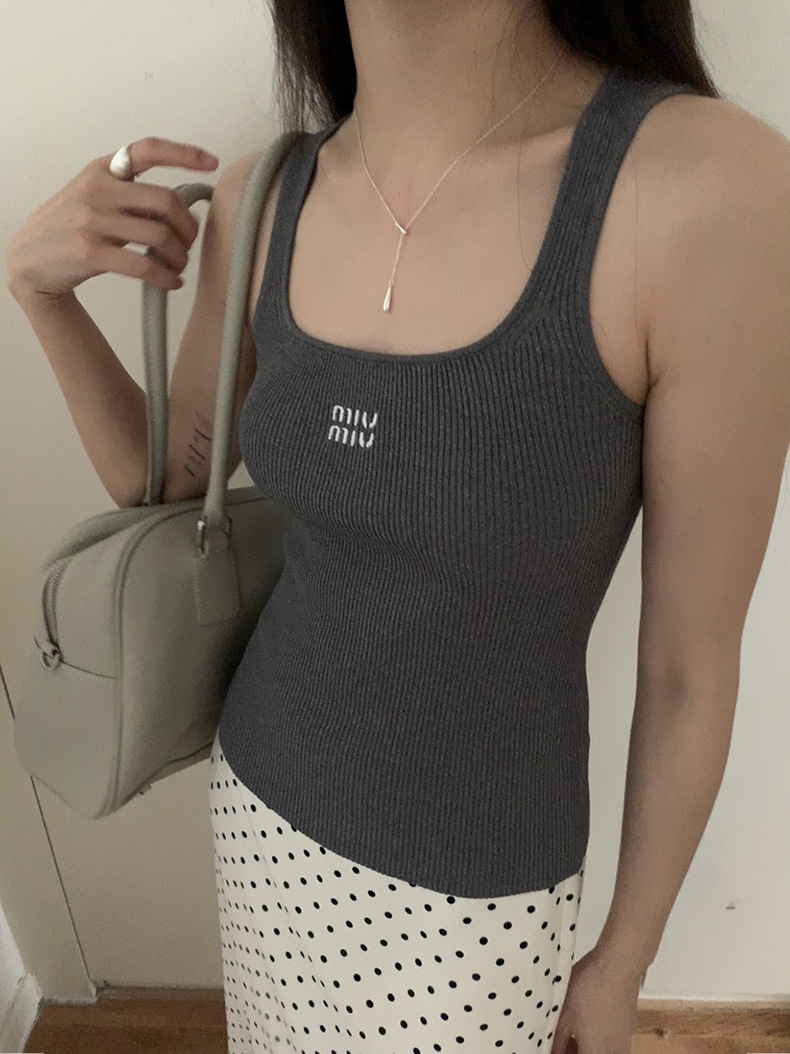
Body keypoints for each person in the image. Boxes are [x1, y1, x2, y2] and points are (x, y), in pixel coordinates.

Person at [7, 2, 790, 1052]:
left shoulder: (709, 192)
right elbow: (165, 481)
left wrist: (622, 962)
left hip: (475, 896)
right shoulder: (263, 195)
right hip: (259, 808)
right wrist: (39, 293)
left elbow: (690, 666)